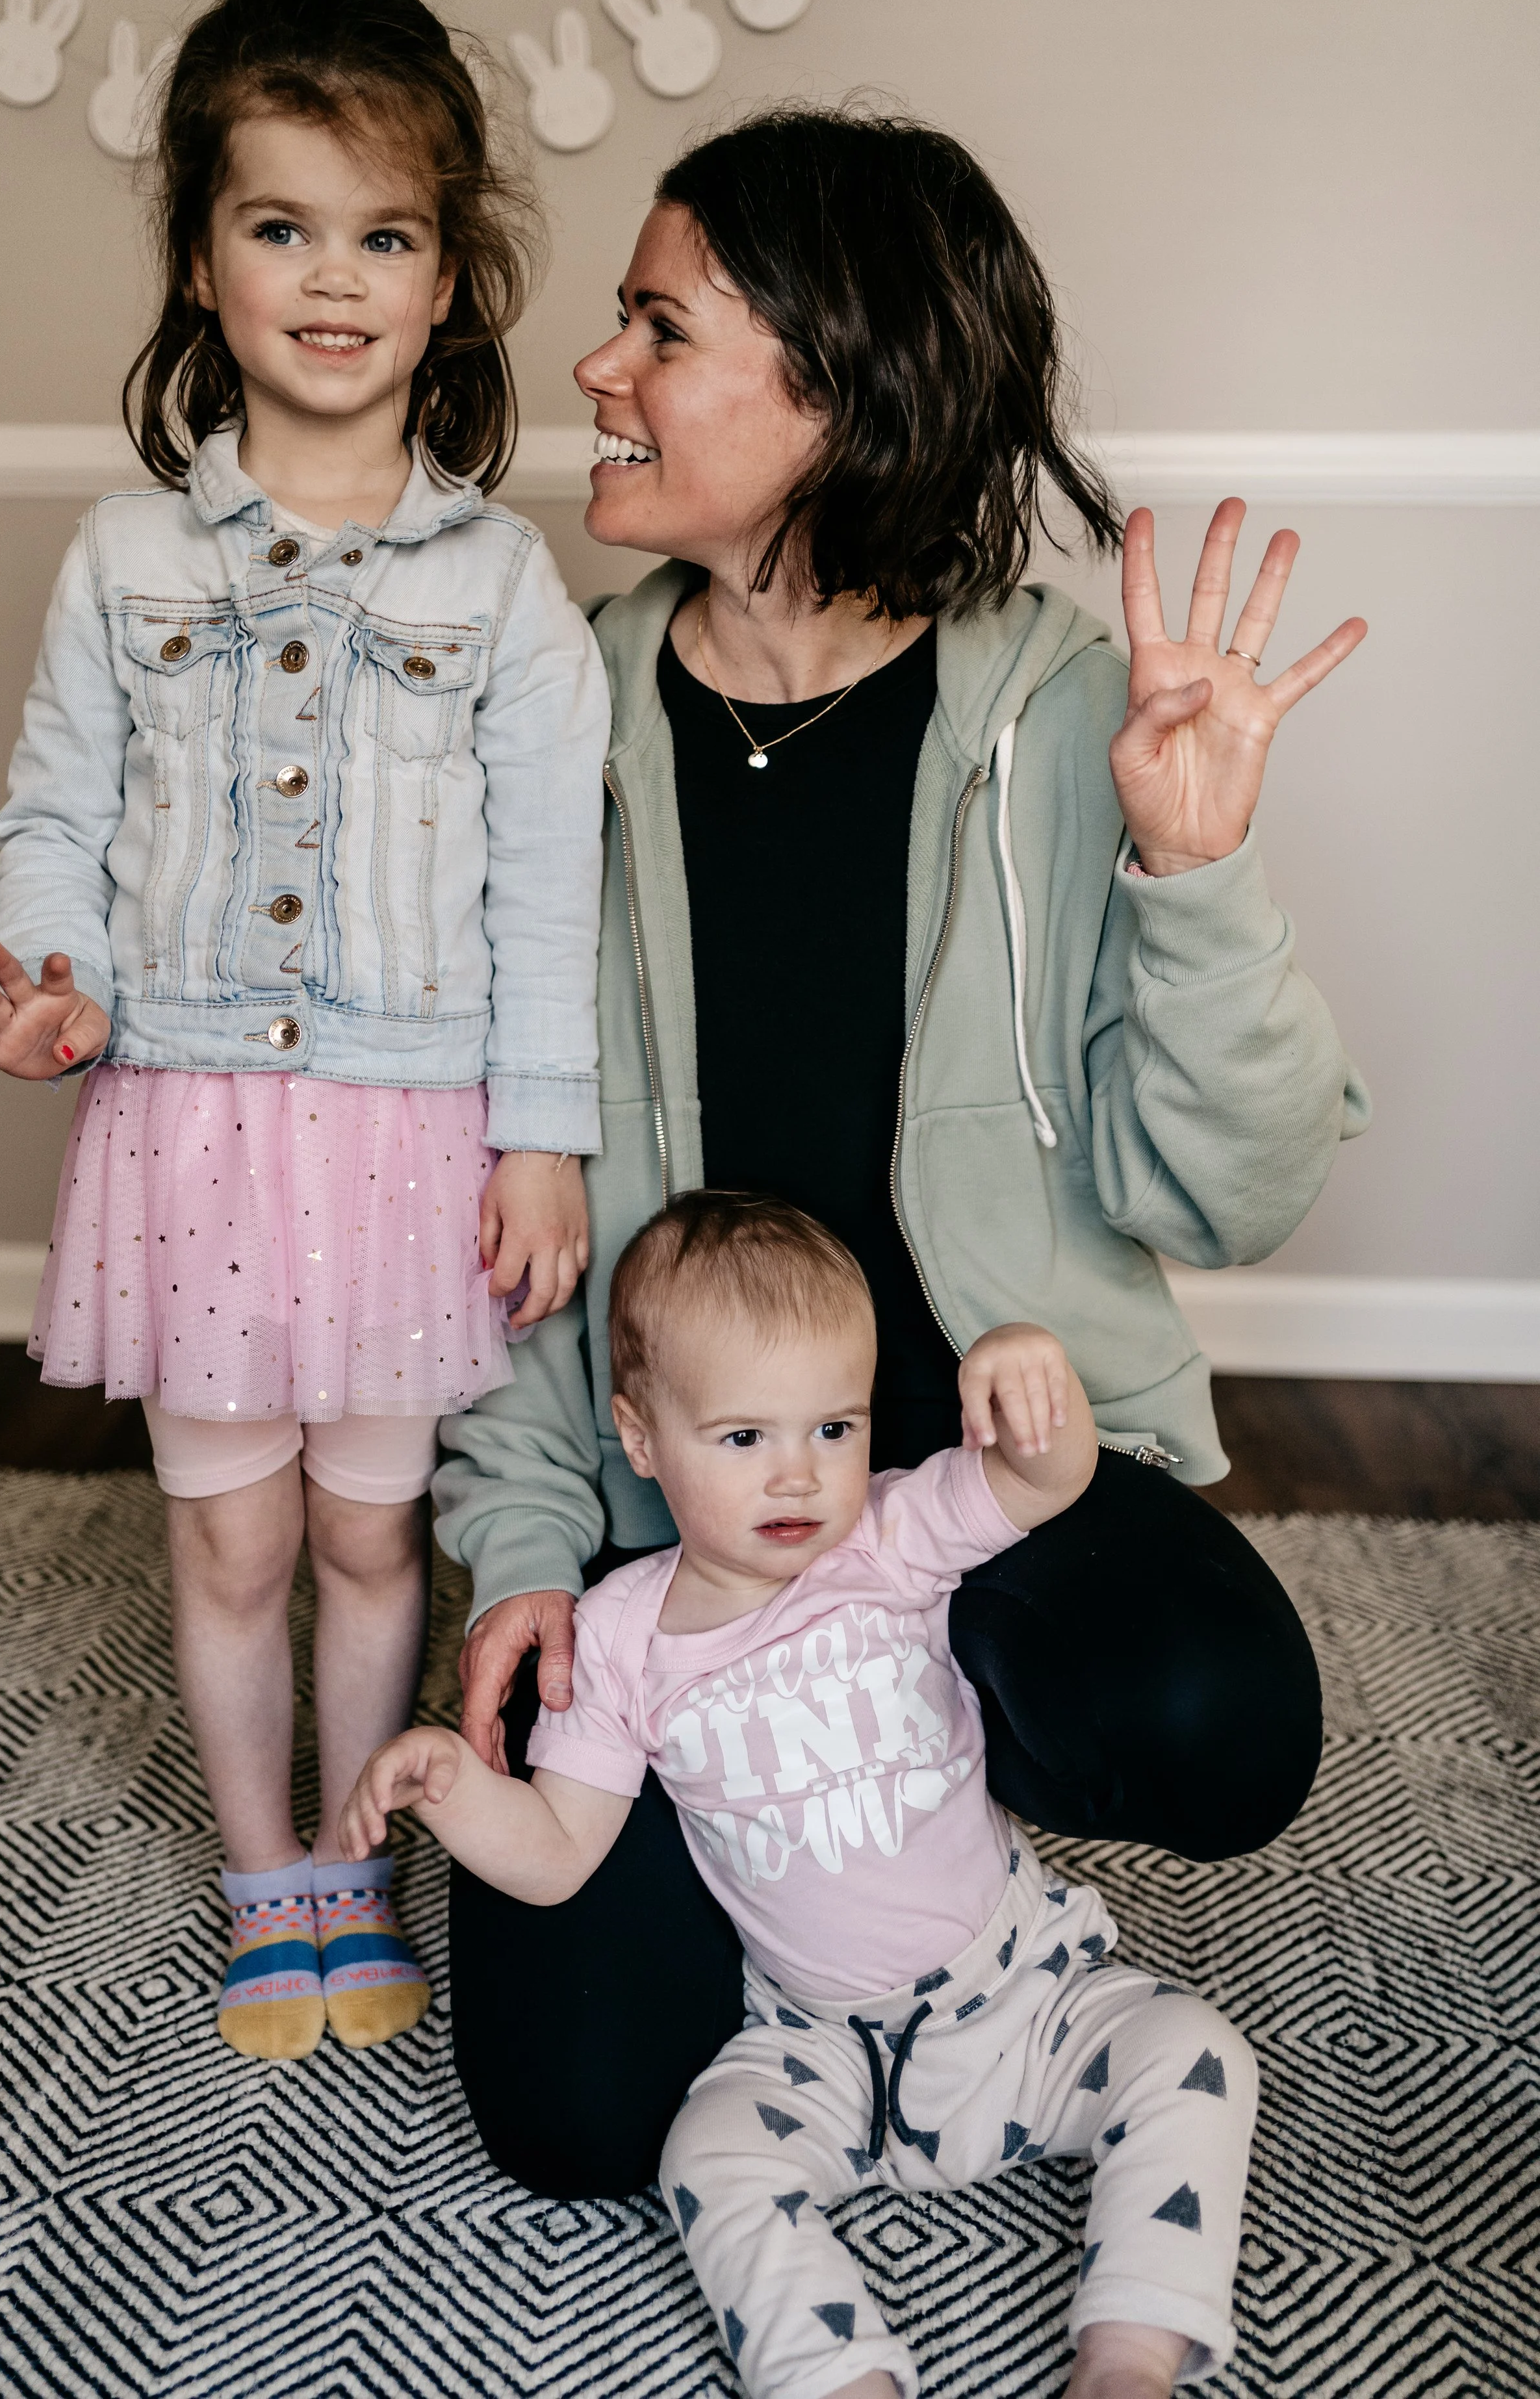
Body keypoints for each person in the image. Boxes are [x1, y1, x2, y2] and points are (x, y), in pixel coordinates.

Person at [435, 107, 1368, 2195]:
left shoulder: (1057, 714)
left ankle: (899, 1764)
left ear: (834, 392)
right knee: (582, 2117)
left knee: (1223, 1719)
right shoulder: (549, 726)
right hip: (676, 1517)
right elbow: (494, 1192)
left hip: (981, 1469)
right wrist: (521, 1559)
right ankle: (793, 1786)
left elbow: (1224, 1192)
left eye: (655, 327)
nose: (597, 370)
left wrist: (1188, 871)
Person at [0, 0, 609, 2062]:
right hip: (194, 1120)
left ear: (450, 283)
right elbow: (54, 807)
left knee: (365, 1520)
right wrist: (57, 984)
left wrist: (542, 1127)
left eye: (386, 234)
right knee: (230, 1531)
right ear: (201, 258)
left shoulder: (501, 586)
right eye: (282, 223)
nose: (335, 278)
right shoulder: (122, 553)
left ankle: (358, 1857)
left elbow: (544, 883)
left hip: (413, 1130)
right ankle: (268, 1884)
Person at [350, 1194, 1259, 2399]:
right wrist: (456, 1788)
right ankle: (835, 2375)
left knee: (1196, 2053)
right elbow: (562, 1849)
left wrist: (1035, 1377)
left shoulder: (888, 1536)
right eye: (742, 1438)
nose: (798, 1472)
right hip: (816, 2044)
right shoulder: (621, 1638)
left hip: (1019, 1991)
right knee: (706, 2158)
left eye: (833, 1425)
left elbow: (1044, 1483)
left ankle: (1131, 2353)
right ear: (640, 1436)